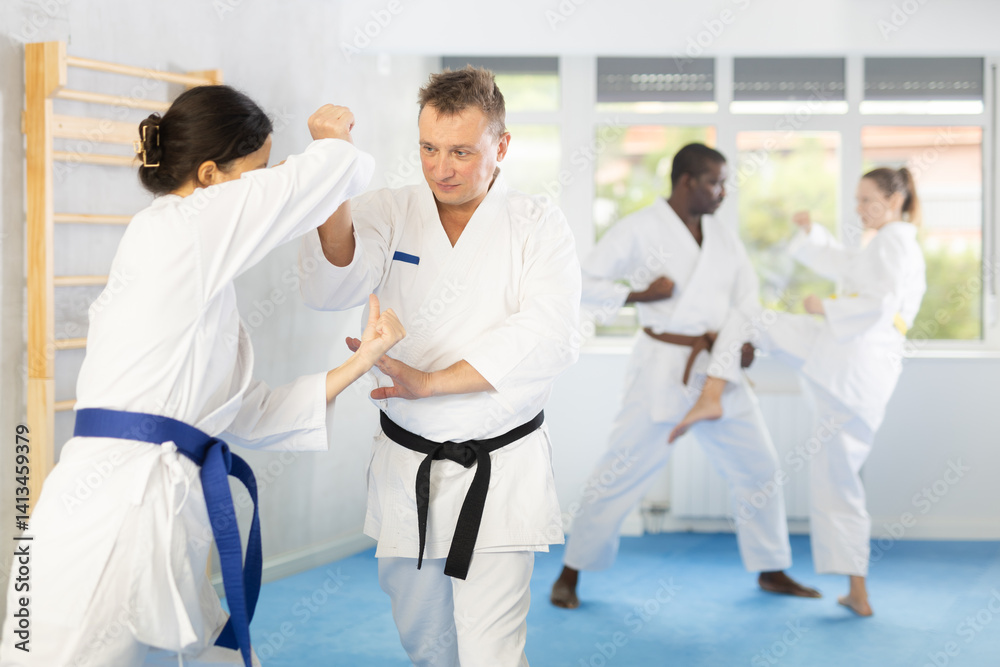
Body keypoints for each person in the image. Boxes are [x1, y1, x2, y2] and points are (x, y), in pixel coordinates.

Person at [0, 86, 405, 667]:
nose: (267, 183)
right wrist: (331, 140)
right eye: (258, 171)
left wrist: (361, 362)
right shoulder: (181, 227)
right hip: (109, 513)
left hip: (157, 503)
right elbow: (319, 178)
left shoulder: (194, 275)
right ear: (211, 175)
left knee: (222, 654)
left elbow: (250, 413)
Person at [298, 66, 581, 666]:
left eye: (461, 152)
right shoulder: (391, 209)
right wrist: (332, 170)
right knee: (425, 644)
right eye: (428, 148)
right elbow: (334, 281)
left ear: (501, 145)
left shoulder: (537, 224)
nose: (440, 168)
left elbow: (547, 336)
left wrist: (431, 382)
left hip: (500, 465)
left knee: (491, 652)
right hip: (409, 463)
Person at [550, 143, 820, 611]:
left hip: (719, 366)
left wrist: (745, 342)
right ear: (687, 181)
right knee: (620, 470)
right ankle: (570, 572)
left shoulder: (723, 237)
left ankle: (772, 568)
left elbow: (746, 299)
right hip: (662, 367)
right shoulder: (639, 228)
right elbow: (579, 282)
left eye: (725, 182)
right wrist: (640, 294)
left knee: (759, 467)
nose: (723, 192)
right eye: (715, 182)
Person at [754, 167, 927, 616]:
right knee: (837, 477)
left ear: (894, 200)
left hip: (856, 362)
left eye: (867, 200)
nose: (859, 209)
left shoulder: (894, 242)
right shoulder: (886, 243)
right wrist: (811, 235)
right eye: (856, 200)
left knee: (839, 479)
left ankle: (859, 592)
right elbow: (847, 264)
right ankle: (857, 591)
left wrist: (825, 306)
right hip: (854, 362)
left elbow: (879, 304)